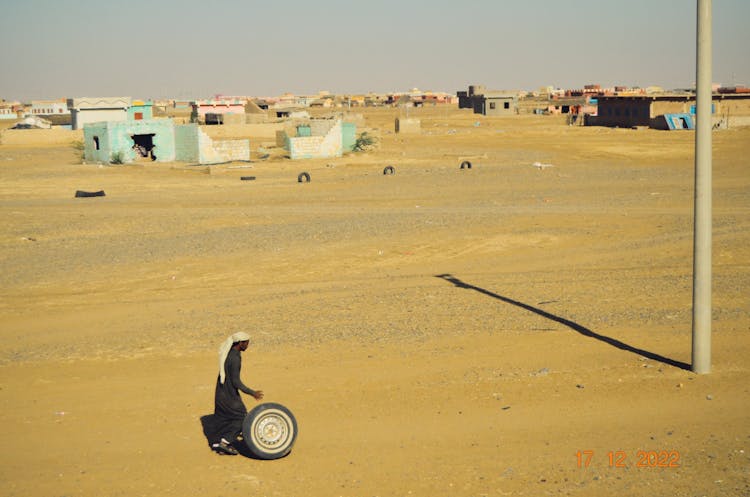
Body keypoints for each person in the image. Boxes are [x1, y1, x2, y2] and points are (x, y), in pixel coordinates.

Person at [209, 332, 264, 455]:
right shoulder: (235, 358)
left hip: (222, 393)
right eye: (247, 343)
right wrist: (252, 392)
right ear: (240, 343)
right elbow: (236, 381)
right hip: (228, 395)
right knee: (243, 417)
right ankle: (225, 442)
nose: (248, 346)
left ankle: (222, 442)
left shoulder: (230, 353)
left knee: (227, 418)